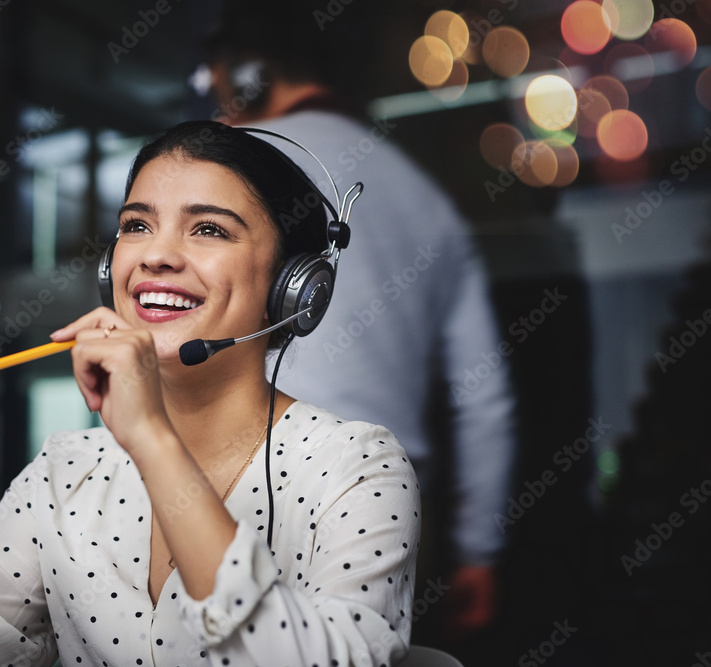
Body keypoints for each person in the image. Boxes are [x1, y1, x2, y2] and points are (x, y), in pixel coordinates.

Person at [0, 121, 421, 667]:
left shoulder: (356, 467)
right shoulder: (61, 472)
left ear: (294, 287)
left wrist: (153, 441)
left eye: (209, 229)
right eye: (136, 226)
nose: (155, 255)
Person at [198, 6, 516, 642]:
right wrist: (480, 550)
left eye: (214, 86)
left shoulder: (224, 176)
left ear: (247, 73)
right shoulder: (427, 199)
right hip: (386, 524)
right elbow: (485, 398)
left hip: (226, 507)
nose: (215, 106)